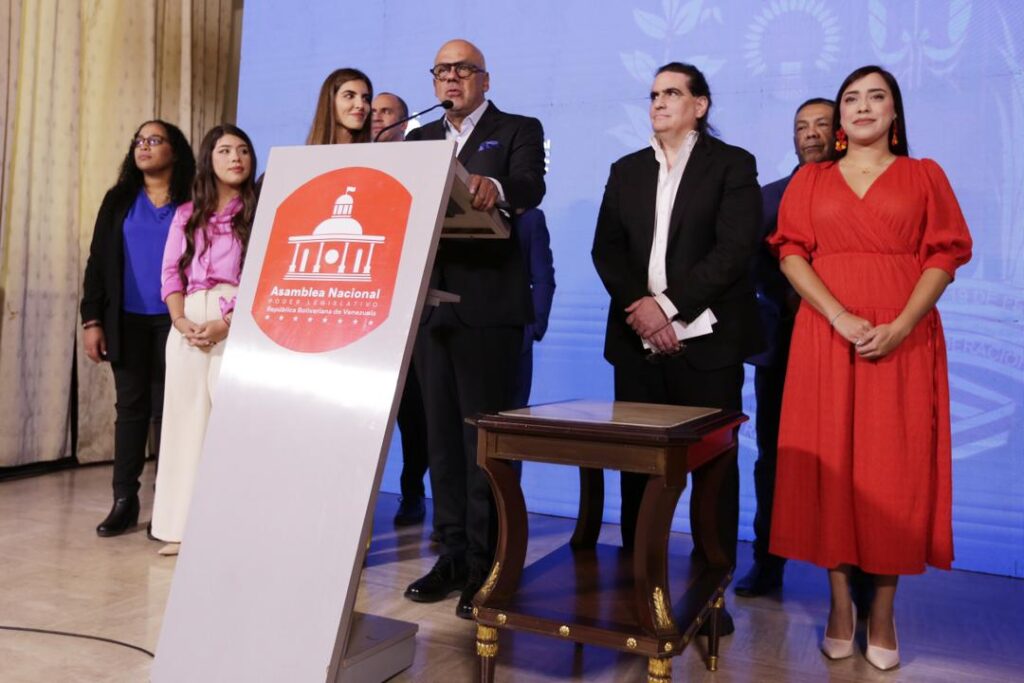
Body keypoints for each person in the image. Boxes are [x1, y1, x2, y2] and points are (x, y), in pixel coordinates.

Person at [769, 65, 972, 670]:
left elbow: (945, 254)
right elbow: (790, 252)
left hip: (901, 336)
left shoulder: (924, 174)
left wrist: (903, 325)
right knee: (830, 467)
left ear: (894, 111)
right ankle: (839, 607)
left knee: (892, 473)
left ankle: (882, 613)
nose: (862, 107)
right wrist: (837, 316)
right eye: (851, 98)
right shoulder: (812, 178)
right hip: (827, 333)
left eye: (875, 97)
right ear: (840, 116)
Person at [591, 62, 762, 637]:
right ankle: (641, 588)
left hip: (707, 345)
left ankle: (711, 599)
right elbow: (607, 250)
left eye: (672, 93)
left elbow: (733, 250)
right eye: (654, 94)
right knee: (639, 475)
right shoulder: (626, 169)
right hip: (637, 345)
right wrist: (642, 309)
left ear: (700, 105)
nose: (659, 102)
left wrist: (667, 307)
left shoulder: (732, 164)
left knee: (713, 478)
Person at [402, 39, 546, 618]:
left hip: (488, 309)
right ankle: (453, 554)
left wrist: (498, 189)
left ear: (485, 80)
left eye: (463, 69)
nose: (451, 78)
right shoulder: (417, 139)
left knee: (482, 445)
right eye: (442, 70)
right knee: (440, 441)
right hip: (431, 310)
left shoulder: (517, 129)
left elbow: (530, 186)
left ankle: (489, 564)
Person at [735, 97, 834, 596]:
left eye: (821, 124)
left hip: (845, 346)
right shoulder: (769, 197)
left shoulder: (859, 193)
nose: (810, 133)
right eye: (801, 126)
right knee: (772, 456)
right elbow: (746, 265)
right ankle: (767, 563)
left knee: (846, 459)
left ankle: (855, 574)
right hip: (783, 346)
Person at [81, 120, 196, 537]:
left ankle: (167, 506)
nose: (144, 147)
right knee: (130, 410)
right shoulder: (119, 199)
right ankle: (124, 501)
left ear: (174, 150)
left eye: (154, 140)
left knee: (170, 412)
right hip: (125, 320)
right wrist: (92, 319)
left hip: (177, 319)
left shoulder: (193, 199)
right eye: (139, 141)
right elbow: (97, 261)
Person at [150, 124, 258, 556]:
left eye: (243, 150)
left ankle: (231, 527)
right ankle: (179, 527)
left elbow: (261, 273)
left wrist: (227, 323)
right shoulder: (186, 213)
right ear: (209, 159)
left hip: (236, 321)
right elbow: (170, 272)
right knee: (184, 425)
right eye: (225, 150)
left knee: (232, 427)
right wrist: (179, 320)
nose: (236, 158)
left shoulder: (260, 211)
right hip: (188, 322)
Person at [371, 90, 430, 527]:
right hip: (361, 309)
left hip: (409, 314)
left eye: (386, 111)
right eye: (372, 111)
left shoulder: (420, 167)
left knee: (414, 418)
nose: (376, 117)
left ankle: (412, 492)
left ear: (405, 123)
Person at [511, 208, 556, 409]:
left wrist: (532, 328)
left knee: (509, 415)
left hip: (515, 341)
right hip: (450, 331)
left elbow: (543, 278)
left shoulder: (530, 218)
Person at [307, 68, 373, 145]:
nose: (361, 105)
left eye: (365, 98)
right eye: (349, 96)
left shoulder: (379, 152)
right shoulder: (304, 152)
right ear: (330, 101)